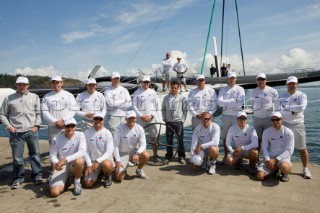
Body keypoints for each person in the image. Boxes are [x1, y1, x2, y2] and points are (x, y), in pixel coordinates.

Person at [0, 76, 43, 189]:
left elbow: (38, 113)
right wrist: (9, 126)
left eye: (24, 84)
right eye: (20, 84)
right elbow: (2, 114)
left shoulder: (34, 97)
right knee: (17, 158)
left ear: (28, 85)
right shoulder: (9, 98)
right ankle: (18, 178)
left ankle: (37, 175)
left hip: (31, 131)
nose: (22, 86)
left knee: (35, 155)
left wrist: (37, 125)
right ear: (16, 85)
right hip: (16, 132)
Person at [275, 76, 312, 179]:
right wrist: (292, 111)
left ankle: (305, 168)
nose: (291, 85)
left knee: (302, 148)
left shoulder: (302, 95)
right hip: (285, 125)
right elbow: (277, 110)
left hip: (298, 124)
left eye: (293, 83)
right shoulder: (281, 96)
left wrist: (286, 108)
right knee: (284, 148)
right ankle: (284, 170)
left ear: (297, 84)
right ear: (287, 84)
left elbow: (302, 107)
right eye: (290, 84)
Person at [49, 118, 86, 197]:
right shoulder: (56, 139)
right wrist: (56, 163)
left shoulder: (80, 135)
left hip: (74, 164)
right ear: (64, 127)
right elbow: (52, 155)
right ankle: (66, 180)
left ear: (75, 127)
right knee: (54, 193)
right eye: (67, 126)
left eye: (72, 126)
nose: (70, 128)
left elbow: (82, 151)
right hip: (62, 166)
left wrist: (65, 159)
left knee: (80, 160)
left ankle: (77, 182)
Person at [256, 112, 294, 182]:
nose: (275, 121)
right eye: (273, 120)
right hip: (270, 157)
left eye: (277, 119)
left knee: (285, 168)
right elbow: (264, 147)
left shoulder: (288, 132)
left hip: (283, 157)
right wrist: (267, 159)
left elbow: (289, 150)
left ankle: (284, 173)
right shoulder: (267, 132)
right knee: (260, 176)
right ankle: (274, 168)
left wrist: (276, 160)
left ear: (281, 120)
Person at [114, 111, 150, 182]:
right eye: (129, 118)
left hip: (134, 151)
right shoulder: (119, 128)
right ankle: (125, 167)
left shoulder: (139, 128)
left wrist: (137, 153)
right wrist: (118, 161)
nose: (131, 120)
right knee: (119, 178)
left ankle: (139, 170)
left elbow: (143, 145)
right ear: (125, 119)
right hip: (122, 153)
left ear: (136, 119)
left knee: (146, 155)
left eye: (133, 118)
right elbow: (115, 146)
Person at [217, 72, 245, 163]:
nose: (232, 79)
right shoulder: (223, 90)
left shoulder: (240, 89)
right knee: (225, 137)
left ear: (236, 79)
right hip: (225, 116)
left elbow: (240, 102)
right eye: (230, 78)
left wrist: (226, 102)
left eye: (233, 78)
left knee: (239, 137)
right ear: (227, 79)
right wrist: (233, 101)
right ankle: (226, 156)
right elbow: (219, 102)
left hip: (237, 116)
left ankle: (239, 158)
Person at [42, 76, 78, 145]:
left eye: (57, 82)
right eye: (53, 83)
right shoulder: (46, 96)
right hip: (53, 126)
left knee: (68, 146)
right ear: (51, 84)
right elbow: (45, 112)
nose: (56, 85)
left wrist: (63, 120)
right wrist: (55, 122)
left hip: (67, 126)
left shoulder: (69, 95)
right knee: (54, 146)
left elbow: (73, 110)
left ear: (62, 83)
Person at [132, 75, 159, 161]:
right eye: (144, 82)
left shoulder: (153, 92)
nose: (146, 83)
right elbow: (134, 106)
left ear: (149, 82)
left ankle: (155, 155)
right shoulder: (136, 92)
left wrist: (151, 115)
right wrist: (141, 116)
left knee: (153, 137)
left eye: (147, 82)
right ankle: (139, 156)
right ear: (141, 82)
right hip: (141, 119)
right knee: (139, 138)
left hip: (151, 118)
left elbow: (156, 105)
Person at [83, 113, 114, 188]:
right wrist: (89, 164)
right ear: (92, 120)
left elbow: (109, 151)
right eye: (96, 119)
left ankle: (107, 176)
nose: (98, 121)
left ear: (103, 121)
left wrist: (98, 161)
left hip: (105, 160)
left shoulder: (107, 133)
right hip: (92, 162)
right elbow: (85, 150)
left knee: (107, 164)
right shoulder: (86, 132)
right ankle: (100, 173)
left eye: (100, 119)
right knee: (88, 184)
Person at [250, 73, 278, 152]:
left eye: (262, 79)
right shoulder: (253, 91)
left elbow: (277, 105)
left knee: (269, 140)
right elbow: (253, 105)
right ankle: (256, 159)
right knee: (257, 140)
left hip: (268, 119)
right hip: (257, 119)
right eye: (259, 80)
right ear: (257, 81)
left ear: (266, 80)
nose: (261, 81)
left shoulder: (272, 91)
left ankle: (269, 159)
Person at [162, 81, 188, 164]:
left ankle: (181, 156)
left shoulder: (182, 98)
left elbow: (185, 110)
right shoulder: (166, 98)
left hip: (178, 122)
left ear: (178, 88)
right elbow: (163, 109)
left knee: (180, 140)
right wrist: (164, 117)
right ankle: (169, 156)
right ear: (170, 88)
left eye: (175, 88)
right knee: (169, 140)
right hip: (169, 121)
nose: (174, 89)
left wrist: (182, 120)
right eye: (172, 88)